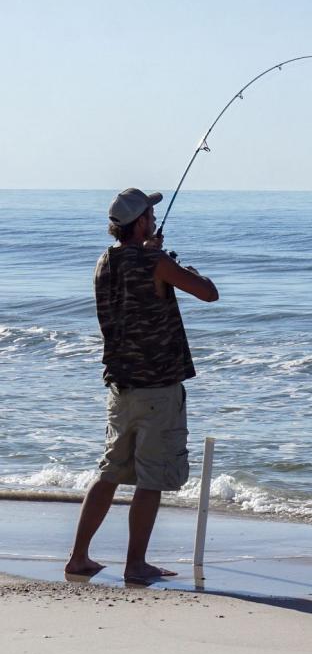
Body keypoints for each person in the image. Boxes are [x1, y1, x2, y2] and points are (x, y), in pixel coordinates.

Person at [65, 188, 218, 582]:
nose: (154, 217)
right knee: (151, 478)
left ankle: (78, 556)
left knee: (110, 472)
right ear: (140, 223)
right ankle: (136, 564)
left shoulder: (105, 261)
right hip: (157, 385)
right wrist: (166, 258)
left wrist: (154, 254)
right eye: (150, 213)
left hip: (120, 386)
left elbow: (136, 290)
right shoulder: (154, 260)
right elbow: (208, 293)